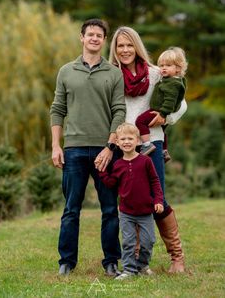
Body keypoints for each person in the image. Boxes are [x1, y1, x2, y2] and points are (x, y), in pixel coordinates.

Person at [103, 26, 187, 273]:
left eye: (129, 45)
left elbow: (181, 103)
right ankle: (139, 262)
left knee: (156, 198)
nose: (125, 50)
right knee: (131, 201)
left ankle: (177, 257)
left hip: (152, 144)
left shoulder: (154, 73)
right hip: (123, 145)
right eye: (120, 46)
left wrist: (166, 119)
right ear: (115, 50)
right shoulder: (111, 75)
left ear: (136, 46)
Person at [50, 18, 126, 276]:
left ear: (104, 41)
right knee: (71, 209)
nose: (94, 38)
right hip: (73, 150)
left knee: (109, 208)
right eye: (90, 34)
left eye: (99, 35)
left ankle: (111, 262)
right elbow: (58, 109)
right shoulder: (66, 71)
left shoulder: (114, 73)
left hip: (106, 151)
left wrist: (110, 146)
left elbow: (119, 110)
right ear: (81, 37)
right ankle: (66, 262)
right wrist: (55, 146)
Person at [98, 123, 164, 280]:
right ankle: (128, 270)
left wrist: (158, 200)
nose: (126, 141)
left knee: (148, 241)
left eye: (130, 138)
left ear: (138, 141)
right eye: (123, 139)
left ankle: (142, 265)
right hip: (126, 212)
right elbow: (111, 183)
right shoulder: (117, 164)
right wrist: (101, 171)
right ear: (118, 143)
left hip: (146, 211)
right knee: (128, 242)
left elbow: (155, 181)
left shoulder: (145, 161)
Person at [135, 47, 187, 156]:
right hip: (161, 111)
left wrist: (162, 114)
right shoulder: (171, 80)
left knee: (140, 121)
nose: (163, 68)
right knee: (162, 130)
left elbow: (170, 101)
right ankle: (164, 151)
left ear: (178, 68)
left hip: (158, 111)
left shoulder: (172, 84)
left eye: (168, 66)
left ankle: (146, 145)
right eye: (162, 65)